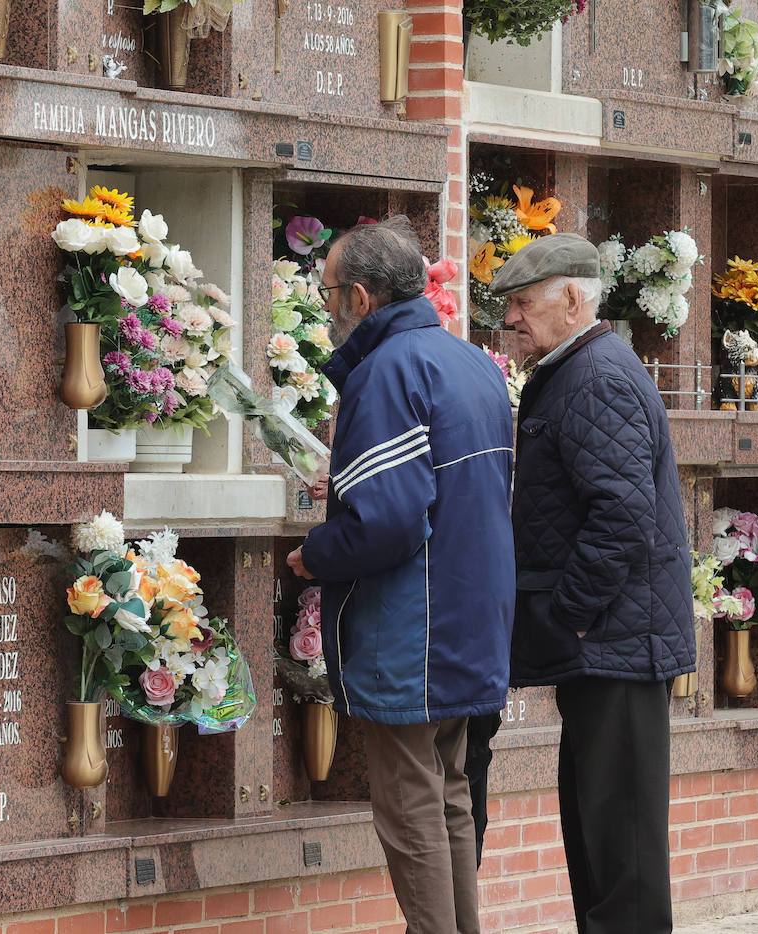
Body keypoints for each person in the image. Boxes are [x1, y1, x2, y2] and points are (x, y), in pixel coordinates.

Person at [286, 216, 515, 934]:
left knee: (410, 807)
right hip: (469, 617)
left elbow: (386, 523)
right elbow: (438, 489)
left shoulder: (385, 371)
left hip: (411, 629)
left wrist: (316, 554)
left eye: (326, 296)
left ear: (359, 296)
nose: (325, 311)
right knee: (449, 796)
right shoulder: (469, 361)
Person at [490, 233, 696, 934]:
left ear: (572, 298)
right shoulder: (578, 368)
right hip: (605, 642)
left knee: (623, 859)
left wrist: (568, 615)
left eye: (522, 303)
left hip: (614, 641)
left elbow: (622, 517)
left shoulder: (596, 376)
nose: (511, 319)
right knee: (599, 840)